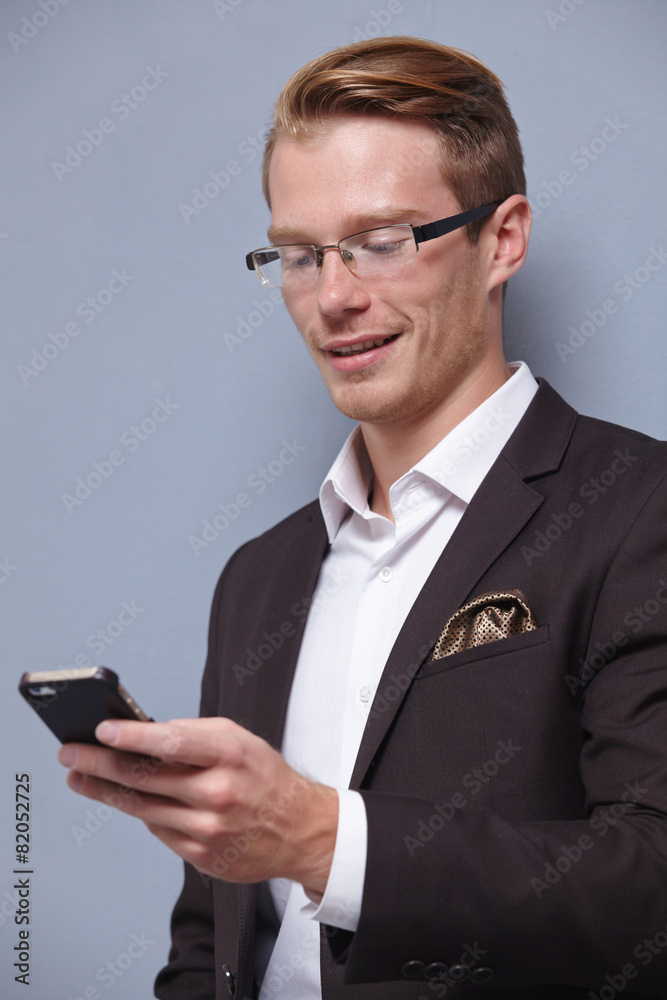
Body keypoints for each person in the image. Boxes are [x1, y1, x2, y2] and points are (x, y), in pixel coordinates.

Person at [57, 36, 667, 1000]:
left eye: (382, 241)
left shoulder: (639, 510)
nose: (332, 298)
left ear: (501, 239)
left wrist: (323, 840)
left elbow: (651, 886)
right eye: (298, 254)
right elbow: (209, 938)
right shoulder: (258, 579)